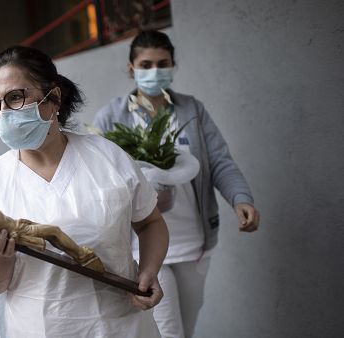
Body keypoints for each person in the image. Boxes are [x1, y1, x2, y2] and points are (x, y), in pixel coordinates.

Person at [0, 45, 169, 338]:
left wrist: (149, 271)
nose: (4, 113)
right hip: (37, 328)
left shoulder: (107, 157)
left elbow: (151, 223)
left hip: (121, 325)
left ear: (54, 98)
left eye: (15, 97)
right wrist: (1, 256)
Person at [93, 30, 261, 338]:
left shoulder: (192, 111)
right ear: (131, 68)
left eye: (162, 63)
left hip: (194, 243)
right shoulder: (110, 117)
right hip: (144, 244)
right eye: (145, 64)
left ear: (173, 65)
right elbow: (98, 180)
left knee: (187, 325)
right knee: (169, 331)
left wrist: (241, 198)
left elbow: (220, 161)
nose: (154, 71)